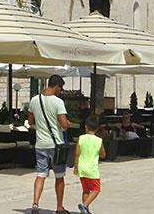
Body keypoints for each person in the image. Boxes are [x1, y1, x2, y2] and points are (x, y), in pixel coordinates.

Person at [27, 74, 71, 214]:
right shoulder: (58, 102)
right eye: (61, 88)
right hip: (56, 144)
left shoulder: (34, 100)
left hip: (40, 143)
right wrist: (67, 123)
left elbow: (31, 122)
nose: (61, 91)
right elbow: (64, 125)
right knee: (59, 176)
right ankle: (59, 207)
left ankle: (35, 203)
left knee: (40, 174)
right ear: (57, 86)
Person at [73, 116, 106, 214]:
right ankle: (84, 205)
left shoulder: (81, 138)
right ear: (97, 128)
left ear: (86, 127)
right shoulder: (98, 140)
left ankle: (86, 211)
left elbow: (76, 154)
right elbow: (103, 154)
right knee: (96, 189)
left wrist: (75, 166)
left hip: (82, 168)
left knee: (86, 190)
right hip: (92, 169)